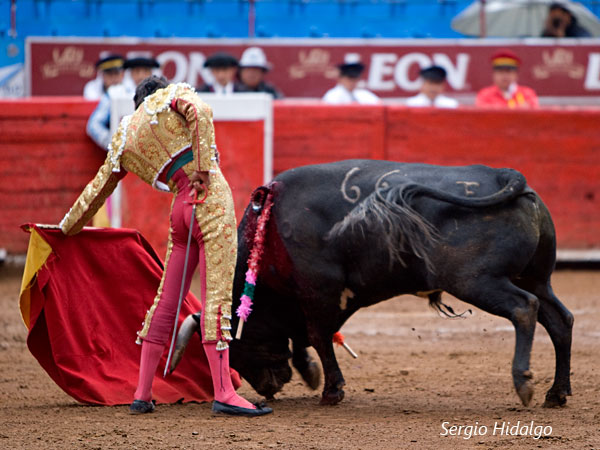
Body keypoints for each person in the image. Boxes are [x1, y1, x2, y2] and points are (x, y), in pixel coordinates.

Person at [60, 76, 272, 417]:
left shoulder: (127, 134)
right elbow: (200, 111)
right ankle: (224, 393)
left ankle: (142, 393)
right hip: (210, 199)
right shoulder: (172, 96)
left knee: (166, 300)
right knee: (216, 294)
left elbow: (96, 190)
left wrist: (65, 228)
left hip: (179, 210)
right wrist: (202, 169)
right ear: (158, 89)